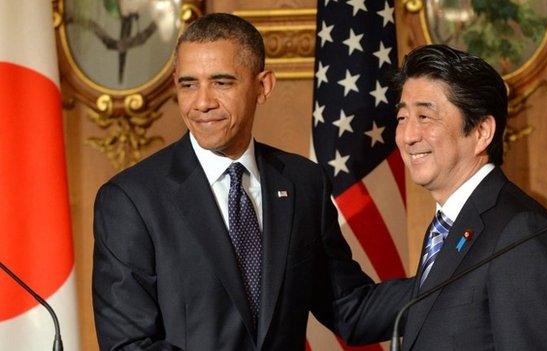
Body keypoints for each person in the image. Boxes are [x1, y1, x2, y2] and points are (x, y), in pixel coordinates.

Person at [91, 13, 410, 351]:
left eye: (221, 82)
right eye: (188, 84)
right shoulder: (130, 200)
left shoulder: (304, 183)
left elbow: (350, 308)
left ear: (263, 86)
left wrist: (449, 278)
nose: (202, 102)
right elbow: (128, 345)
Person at [384, 44, 547, 350]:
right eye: (403, 117)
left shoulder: (522, 234)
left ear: (482, 131)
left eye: (424, 116)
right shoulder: (446, 227)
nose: (408, 136)